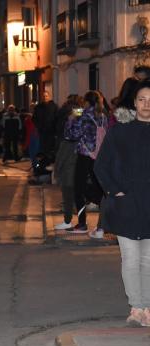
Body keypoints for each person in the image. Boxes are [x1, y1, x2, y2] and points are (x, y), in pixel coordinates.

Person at [94, 79, 150, 327]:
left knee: (148, 260)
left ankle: (148, 307)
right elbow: (101, 165)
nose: (147, 105)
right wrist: (115, 192)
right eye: (142, 100)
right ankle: (136, 307)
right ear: (134, 103)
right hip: (126, 204)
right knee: (130, 258)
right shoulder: (120, 131)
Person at [63, 91, 107, 234]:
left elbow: (71, 135)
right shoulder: (103, 116)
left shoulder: (83, 116)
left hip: (85, 156)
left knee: (79, 189)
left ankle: (82, 224)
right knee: (100, 190)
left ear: (87, 102)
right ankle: (103, 224)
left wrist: (71, 119)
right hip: (99, 156)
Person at [54, 95, 84, 230]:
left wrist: (57, 171)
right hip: (75, 162)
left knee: (68, 194)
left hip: (70, 164)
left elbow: (61, 159)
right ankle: (74, 221)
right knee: (73, 195)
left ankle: (68, 221)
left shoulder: (69, 137)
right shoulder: (81, 117)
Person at [33, 91, 58, 160]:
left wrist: (55, 129)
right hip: (42, 130)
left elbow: (56, 118)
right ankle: (43, 162)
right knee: (42, 147)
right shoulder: (38, 107)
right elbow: (34, 118)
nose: (45, 98)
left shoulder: (54, 106)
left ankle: (48, 161)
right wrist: (38, 126)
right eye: (44, 96)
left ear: (49, 97)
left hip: (51, 131)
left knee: (49, 147)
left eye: (46, 96)